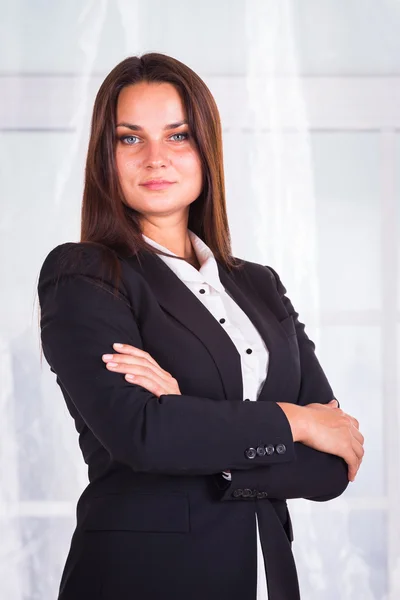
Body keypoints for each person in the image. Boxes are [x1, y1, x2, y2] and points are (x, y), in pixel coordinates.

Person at [38, 53, 364, 600]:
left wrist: (187, 414)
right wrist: (294, 421)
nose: (155, 158)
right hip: (144, 579)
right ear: (105, 156)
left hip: (268, 579)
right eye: (130, 138)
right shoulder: (85, 274)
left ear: (205, 149)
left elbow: (333, 465)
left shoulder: (259, 285)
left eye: (178, 135)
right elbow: (144, 435)